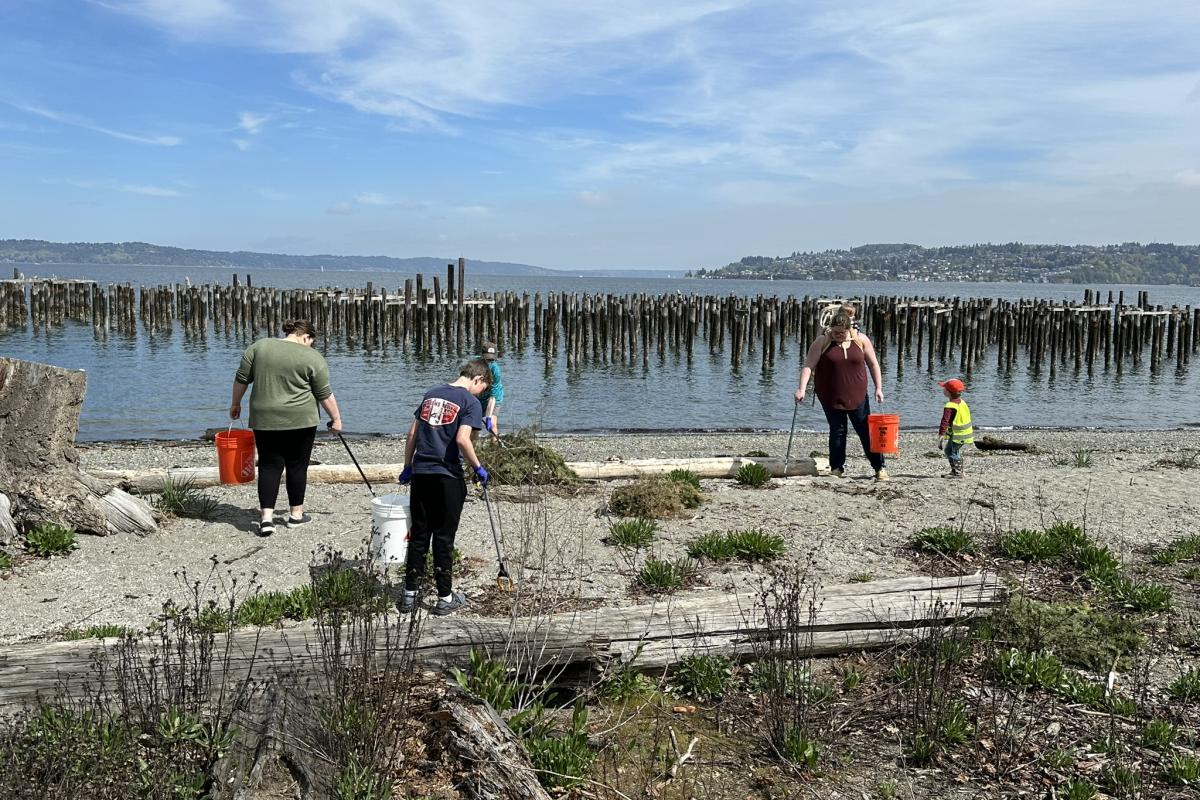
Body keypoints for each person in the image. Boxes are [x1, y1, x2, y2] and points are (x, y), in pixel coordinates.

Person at [230, 319, 342, 537]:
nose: (310, 346)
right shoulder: (312, 357)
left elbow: (241, 378)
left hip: (264, 418)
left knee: (269, 466)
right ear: (306, 337)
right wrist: (336, 418)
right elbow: (324, 393)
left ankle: (266, 519)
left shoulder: (259, 347)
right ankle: (296, 516)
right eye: (311, 342)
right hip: (301, 420)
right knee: (297, 466)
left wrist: (235, 404)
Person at [397, 359, 491, 616]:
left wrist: (408, 466)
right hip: (448, 475)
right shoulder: (469, 402)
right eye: (482, 389)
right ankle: (445, 596)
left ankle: (409, 595)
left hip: (422, 472)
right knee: (443, 537)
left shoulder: (431, 394)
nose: (480, 394)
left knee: (418, 534)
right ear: (478, 380)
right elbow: (462, 439)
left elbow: (412, 434)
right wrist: (478, 468)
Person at [794, 310, 889, 481]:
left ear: (848, 328)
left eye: (842, 332)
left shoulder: (861, 340)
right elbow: (808, 366)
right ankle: (837, 468)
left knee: (865, 431)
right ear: (830, 329)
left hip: (857, 394)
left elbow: (874, 364)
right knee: (837, 431)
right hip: (830, 395)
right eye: (835, 332)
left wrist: (878, 388)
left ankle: (879, 467)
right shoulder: (822, 341)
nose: (839, 335)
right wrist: (801, 389)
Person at [937, 378, 974, 479]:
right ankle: (957, 471)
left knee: (949, 451)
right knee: (955, 451)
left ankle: (957, 473)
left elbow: (944, 421)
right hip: (966, 433)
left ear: (948, 392)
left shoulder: (950, 406)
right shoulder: (962, 403)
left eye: (944, 388)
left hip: (959, 435)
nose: (943, 390)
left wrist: (941, 436)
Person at [478, 341, 504, 437]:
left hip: (493, 398)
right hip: (478, 397)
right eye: (487, 359)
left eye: (491, 360)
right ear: (482, 355)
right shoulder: (474, 366)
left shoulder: (495, 370)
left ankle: (495, 446)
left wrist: (488, 418)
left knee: (492, 424)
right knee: (473, 425)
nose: (489, 362)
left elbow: (493, 398)